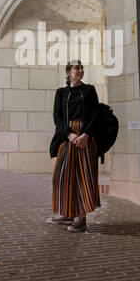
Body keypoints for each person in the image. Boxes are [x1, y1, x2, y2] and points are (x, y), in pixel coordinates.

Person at [49, 60, 101, 231]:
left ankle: (81, 217)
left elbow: (95, 114)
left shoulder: (89, 90)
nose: (79, 70)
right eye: (75, 68)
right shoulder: (61, 92)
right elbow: (58, 118)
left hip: (86, 136)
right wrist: (70, 135)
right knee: (61, 175)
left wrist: (86, 134)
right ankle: (66, 213)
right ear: (68, 72)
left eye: (81, 68)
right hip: (67, 136)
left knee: (83, 176)